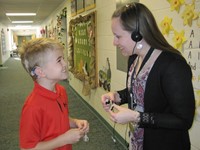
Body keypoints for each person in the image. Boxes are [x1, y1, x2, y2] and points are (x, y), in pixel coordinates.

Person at [101, 2, 195, 150]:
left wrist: (135, 117)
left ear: (137, 34)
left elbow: (184, 120)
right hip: (139, 140)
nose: (114, 42)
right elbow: (138, 93)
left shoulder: (173, 65)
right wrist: (117, 96)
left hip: (165, 144)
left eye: (118, 36)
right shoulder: (134, 58)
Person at [19, 38, 89, 150]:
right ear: (40, 71)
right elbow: (27, 148)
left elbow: (59, 120)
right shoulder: (32, 107)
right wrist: (64, 139)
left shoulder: (60, 91)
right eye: (59, 60)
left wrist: (74, 122)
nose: (65, 64)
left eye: (63, 58)